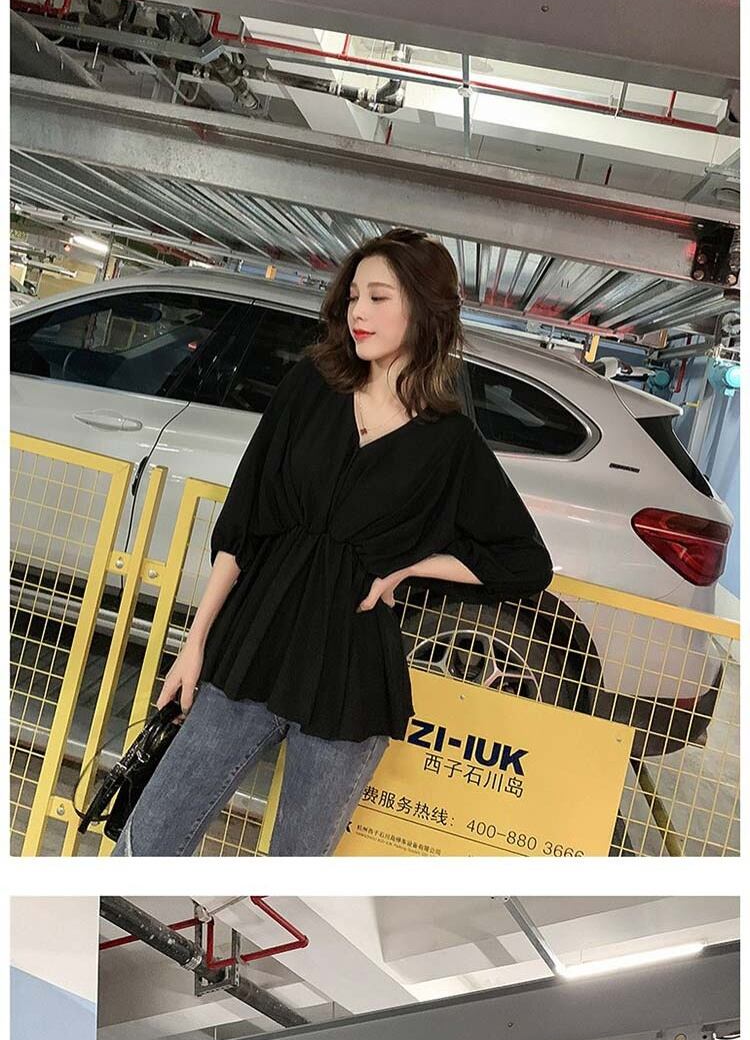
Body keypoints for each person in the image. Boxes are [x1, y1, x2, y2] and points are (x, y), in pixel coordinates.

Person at [113, 229, 553, 858]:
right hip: (254, 645)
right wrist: (196, 642)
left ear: (424, 311)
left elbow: (526, 562)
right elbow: (244, 522)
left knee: (296, 875)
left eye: (378, 297)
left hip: (351, 677)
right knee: (150, 840)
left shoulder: (450, 443)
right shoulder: (309, 388)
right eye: (352, 298)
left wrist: (411, 568)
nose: (358, 313)